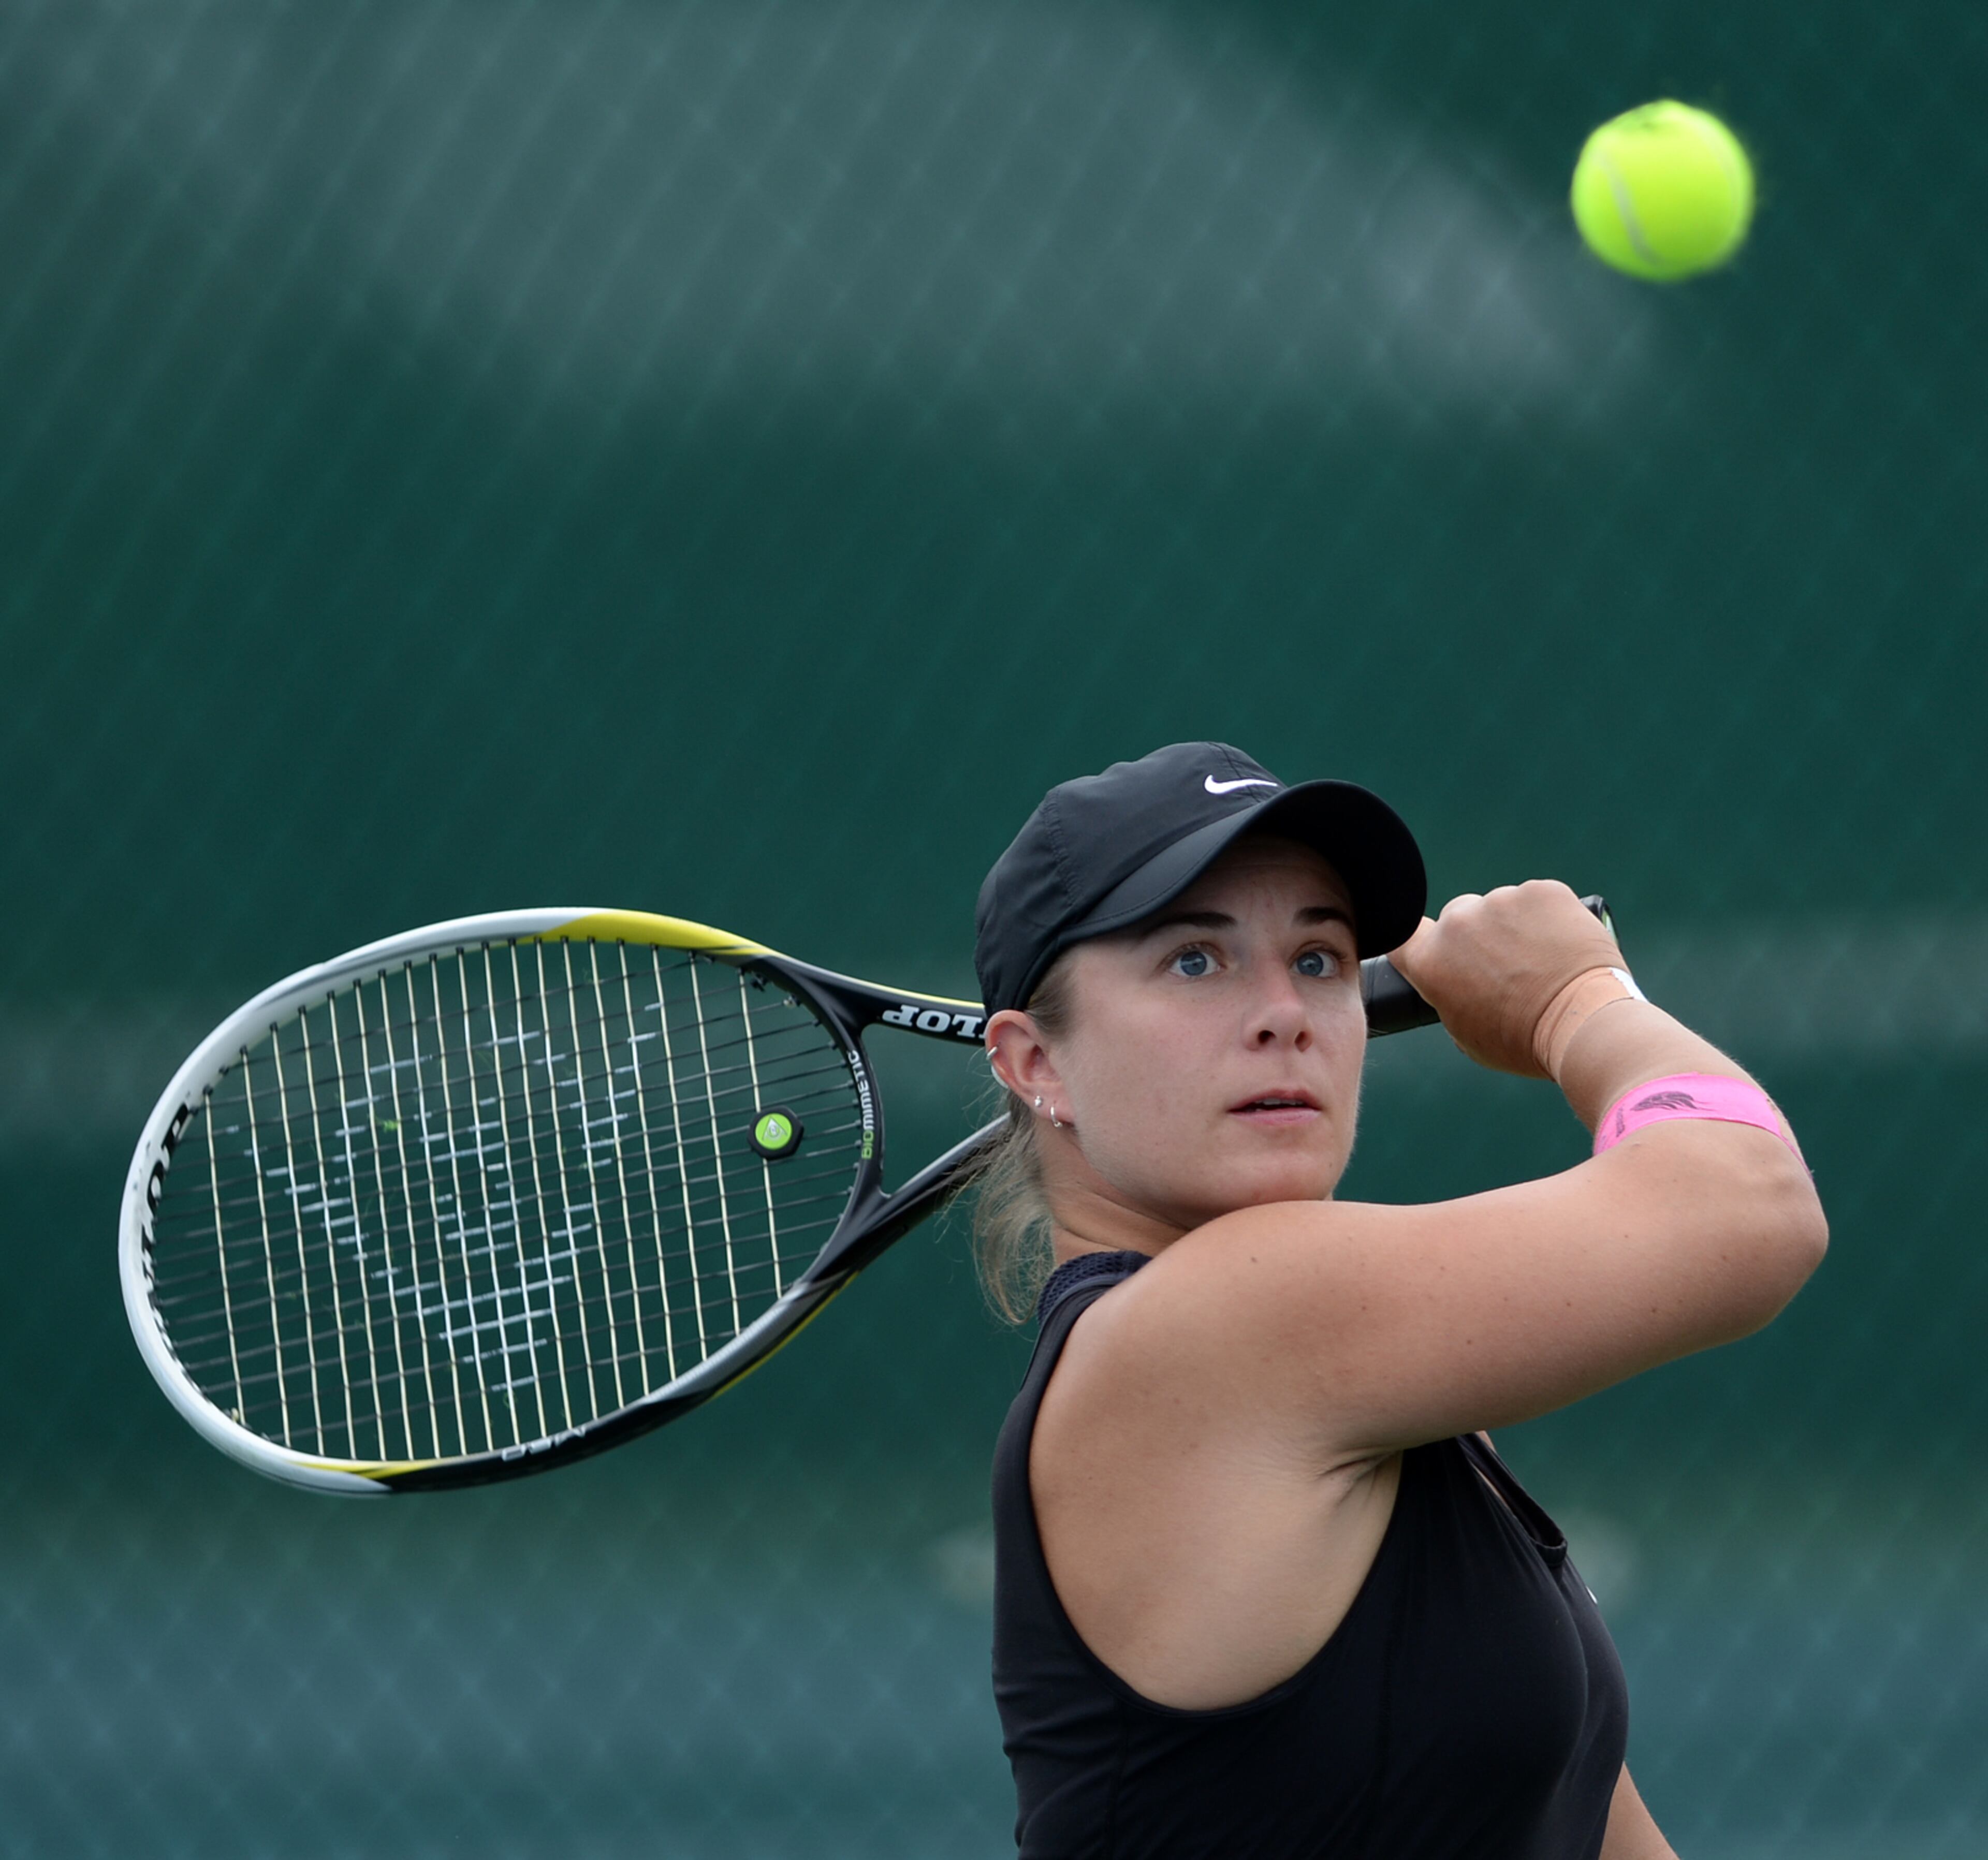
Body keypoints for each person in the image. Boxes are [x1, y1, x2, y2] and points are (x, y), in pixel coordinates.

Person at [969, 742, 1826, 1860]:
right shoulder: (1233, 1322)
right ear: (1036, 1062)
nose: (1285, 1012)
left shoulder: (1357, 1372)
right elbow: (1748, 1210)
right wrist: (1577, 1000)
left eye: (1320, 959)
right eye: (1194, 962)